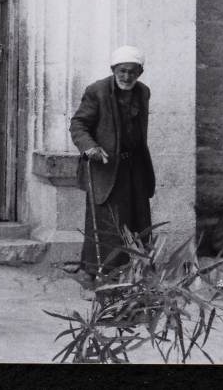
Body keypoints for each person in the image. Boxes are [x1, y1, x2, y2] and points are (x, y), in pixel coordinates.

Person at [70, 45, 155, 278]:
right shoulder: (96, 91)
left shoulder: (143, 92)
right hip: (105, 166)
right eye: (122, 71)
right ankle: (96, 274)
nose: (127, 77)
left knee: (139, 219)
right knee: (107, 223)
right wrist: (90, 147)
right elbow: (78, 124)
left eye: (132, 72)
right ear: (113, 70)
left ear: (140, 72)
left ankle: (136, 274)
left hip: (133, 165)